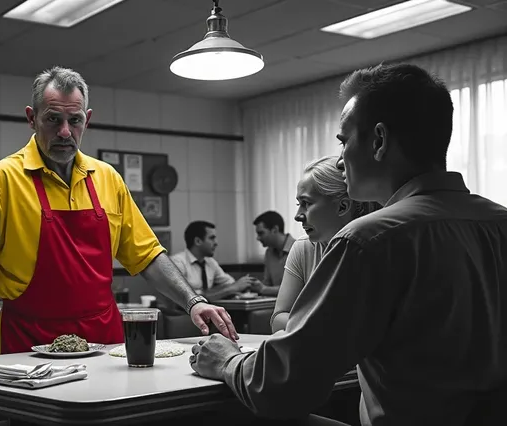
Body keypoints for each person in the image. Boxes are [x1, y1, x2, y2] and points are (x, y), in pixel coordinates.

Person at [190, 63, 507, 426]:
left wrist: (227, 360)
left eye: (343, 141)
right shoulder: (500, 224)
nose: (340, 161)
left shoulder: (367, 241)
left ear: (378, 140)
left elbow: (279, 386)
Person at [0, 66, 237, 354]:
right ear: (31, 118)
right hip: (29, 347)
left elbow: (147, 256)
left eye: (74, 120)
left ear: (87, 120)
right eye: (53, 119)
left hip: (104, 341)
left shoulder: (107, 178)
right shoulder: (1, 181)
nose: (65, 132)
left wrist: (195, 301)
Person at [271, 156, 379, 333]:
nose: (297, 216)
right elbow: (278, 319)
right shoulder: (302, 249)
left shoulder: (374, 250)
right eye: (299, 204)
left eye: (306, 203)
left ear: (343, 207)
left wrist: (305, 324)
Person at [171, 221, 261, 302]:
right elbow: (184, 297)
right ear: (198, 241)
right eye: (212, 238)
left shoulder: (210, 262)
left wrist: (244, 284)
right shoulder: (178, 263)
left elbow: (230, 283)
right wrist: (230, 289)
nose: (216, 243)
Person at [253, 211, 294, 295]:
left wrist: (264, 289)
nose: (257, 238)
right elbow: (267, 284)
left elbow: (296, 289)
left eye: (261, 233)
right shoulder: (269, 253)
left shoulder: (299, 249)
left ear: (275, 229)